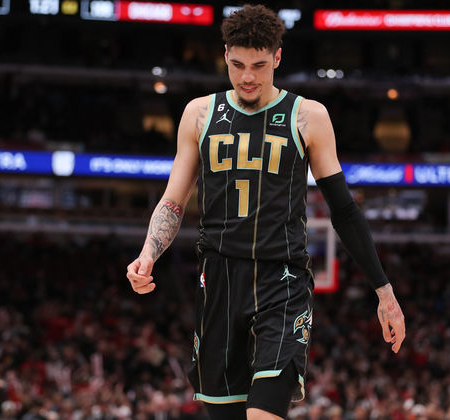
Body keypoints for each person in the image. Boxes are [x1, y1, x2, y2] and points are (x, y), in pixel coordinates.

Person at [126, 5, 406, 420]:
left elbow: (344, 210)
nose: (247, 77)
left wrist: (384, 291)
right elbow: (173, 200)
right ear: (225, 55)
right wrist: (149, 253)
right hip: (219, 281)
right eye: (237, 64)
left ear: (277, 58)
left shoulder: (308, 116)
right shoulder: (198, 114)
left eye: (259, 65)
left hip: (282, 280)